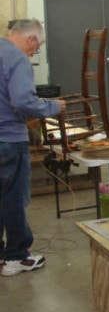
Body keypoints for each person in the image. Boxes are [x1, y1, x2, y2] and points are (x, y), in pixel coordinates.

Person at [0, 19, 65, 276]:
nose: (33, 52)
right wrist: (53, 107)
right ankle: (17, 257)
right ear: (31, 40)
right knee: (13, 198)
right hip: (8, 138)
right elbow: (24, 102)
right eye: (36, 48)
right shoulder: (17, 59)